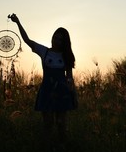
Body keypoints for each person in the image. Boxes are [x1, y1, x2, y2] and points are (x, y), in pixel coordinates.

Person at [8, 13, 76, 143]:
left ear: (64, 42)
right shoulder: (44, 51)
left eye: (60, 39)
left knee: (61, 124)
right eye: (55, 37)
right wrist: (17, 22)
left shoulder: (66, 56)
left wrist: (72, 92)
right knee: (48, 124)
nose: (56, 40)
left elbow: (69, 77)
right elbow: (27, 40)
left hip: (62, 92)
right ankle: (47, 150)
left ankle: (64, 150)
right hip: (47, 91)